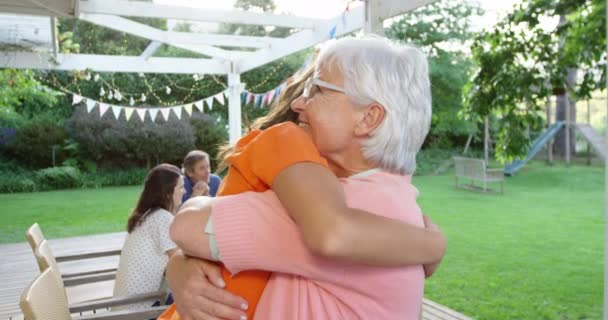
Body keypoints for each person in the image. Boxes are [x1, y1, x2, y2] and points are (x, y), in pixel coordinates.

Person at [163, 37, 443, 320]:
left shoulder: (335, 208)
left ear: (368, 118)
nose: (298, 103)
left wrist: (180, 265)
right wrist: (179, 266)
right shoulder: (395, 201)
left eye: (318, 90)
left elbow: (188, 225)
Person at [112, 164, 183, 310]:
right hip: (141, 307)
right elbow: (179, 261)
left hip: (125, 305)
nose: (185, 191)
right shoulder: (162, 218)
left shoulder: (146, 215)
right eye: (181, 187)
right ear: (168, 193)